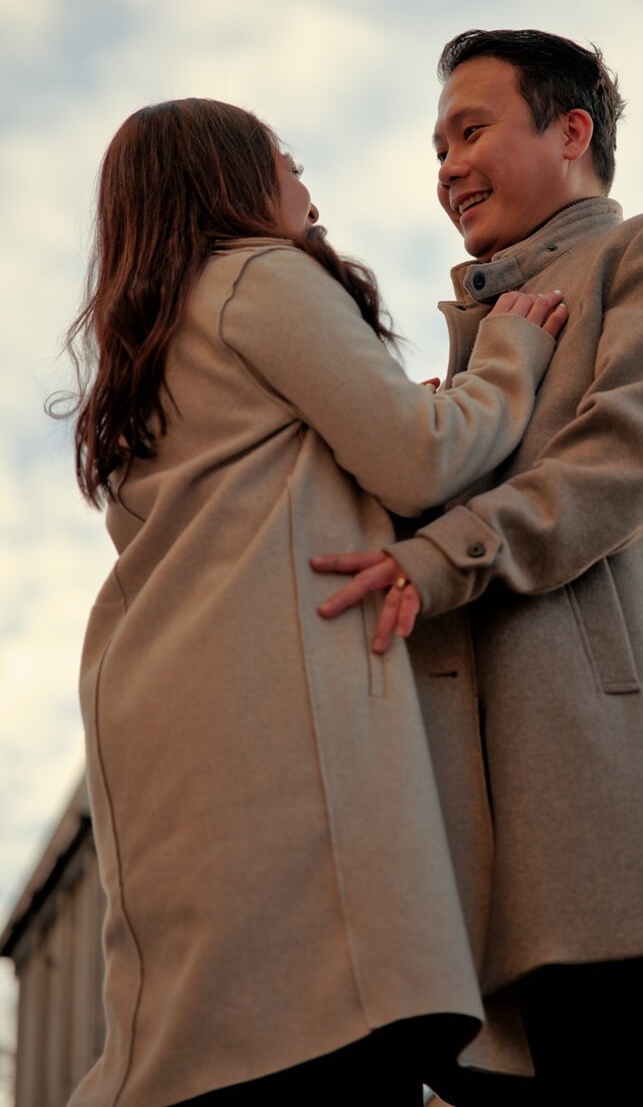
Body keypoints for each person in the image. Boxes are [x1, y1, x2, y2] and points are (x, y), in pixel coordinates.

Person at [312, 30, 643, 1105]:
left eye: (471, 131)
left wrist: (448, 550)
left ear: (570, 132)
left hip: (631, 819)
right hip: (504, 867)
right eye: (436, 148)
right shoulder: (485, 338)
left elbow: (628, 452)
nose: (447, 167)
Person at [61, 96, 570, 1106]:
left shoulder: (146, 343)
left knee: (206, 1046)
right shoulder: (258, 276)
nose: (306, 187)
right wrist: (506, 356)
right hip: (278, 718)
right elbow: (420, 456)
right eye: (287, 162)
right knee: (336, 1032)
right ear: (232, 178)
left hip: (164, 717)